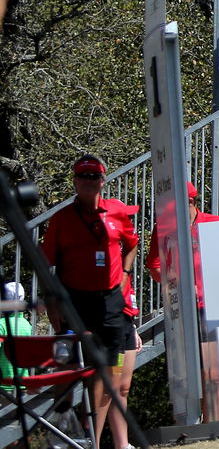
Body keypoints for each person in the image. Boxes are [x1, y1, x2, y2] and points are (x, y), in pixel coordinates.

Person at [39, 154, 137, 449]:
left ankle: (93, 440)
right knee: (66, 373)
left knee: (110, 375)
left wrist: (126, 274)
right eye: (82, 176)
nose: (88, 182)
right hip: (74, 302)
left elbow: (131, 244)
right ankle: (63, 437)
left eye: (93, 177)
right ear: (75, 181)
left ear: (103, 181)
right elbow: (45, 266)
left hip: (110, 302)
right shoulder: (62, 219)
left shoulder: (118, 211)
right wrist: (52, 303)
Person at [145, 181, 219, 311]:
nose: (169, 211)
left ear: (190, 201)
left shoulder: (217, 224)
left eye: (173, 206)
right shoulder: (162, 227)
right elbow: (155, 268)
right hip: (180, 305)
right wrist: (180, 284)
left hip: (215, 302)